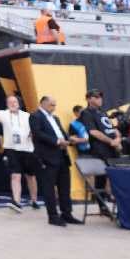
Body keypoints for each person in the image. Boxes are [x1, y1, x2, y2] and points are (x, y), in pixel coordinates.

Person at [29, 97, 82, 226]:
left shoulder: (55, 118)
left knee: (65, 186)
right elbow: (38, 134)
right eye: (51, 105)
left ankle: (67, 214)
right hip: (47, 157)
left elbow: (62, 134)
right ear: (43, 103)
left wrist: (70, 140)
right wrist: (57, 141)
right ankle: (52, 216)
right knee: (49, 188)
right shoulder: (35, 116)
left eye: (55, 105)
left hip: (62, 155)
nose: (54, 108)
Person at [0, 96, 39, 213]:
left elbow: (35, 129)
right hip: (11, 149)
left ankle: (34, 200)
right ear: (6, 104)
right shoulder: (4, 114)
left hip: (27, 149)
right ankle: (17, 202)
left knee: (31, 176)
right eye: (10, 102)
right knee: (15, 175)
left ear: (18, 103)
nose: (12, 104)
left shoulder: (27, 115)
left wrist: (32, 133)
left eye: (14, 102)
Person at [79, 89, 121, 196]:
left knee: (117, 176)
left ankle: (114, 200)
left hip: (112, 150)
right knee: (101, 179)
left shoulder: (103, 112)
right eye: (96, 97)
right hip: (100, 150)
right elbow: (93, 132)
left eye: (100, 97)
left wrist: (117, 139)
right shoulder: (86, 113)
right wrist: (111, 141)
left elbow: (113, 129)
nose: (100, 99)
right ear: (88, 99)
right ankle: (101, 203)